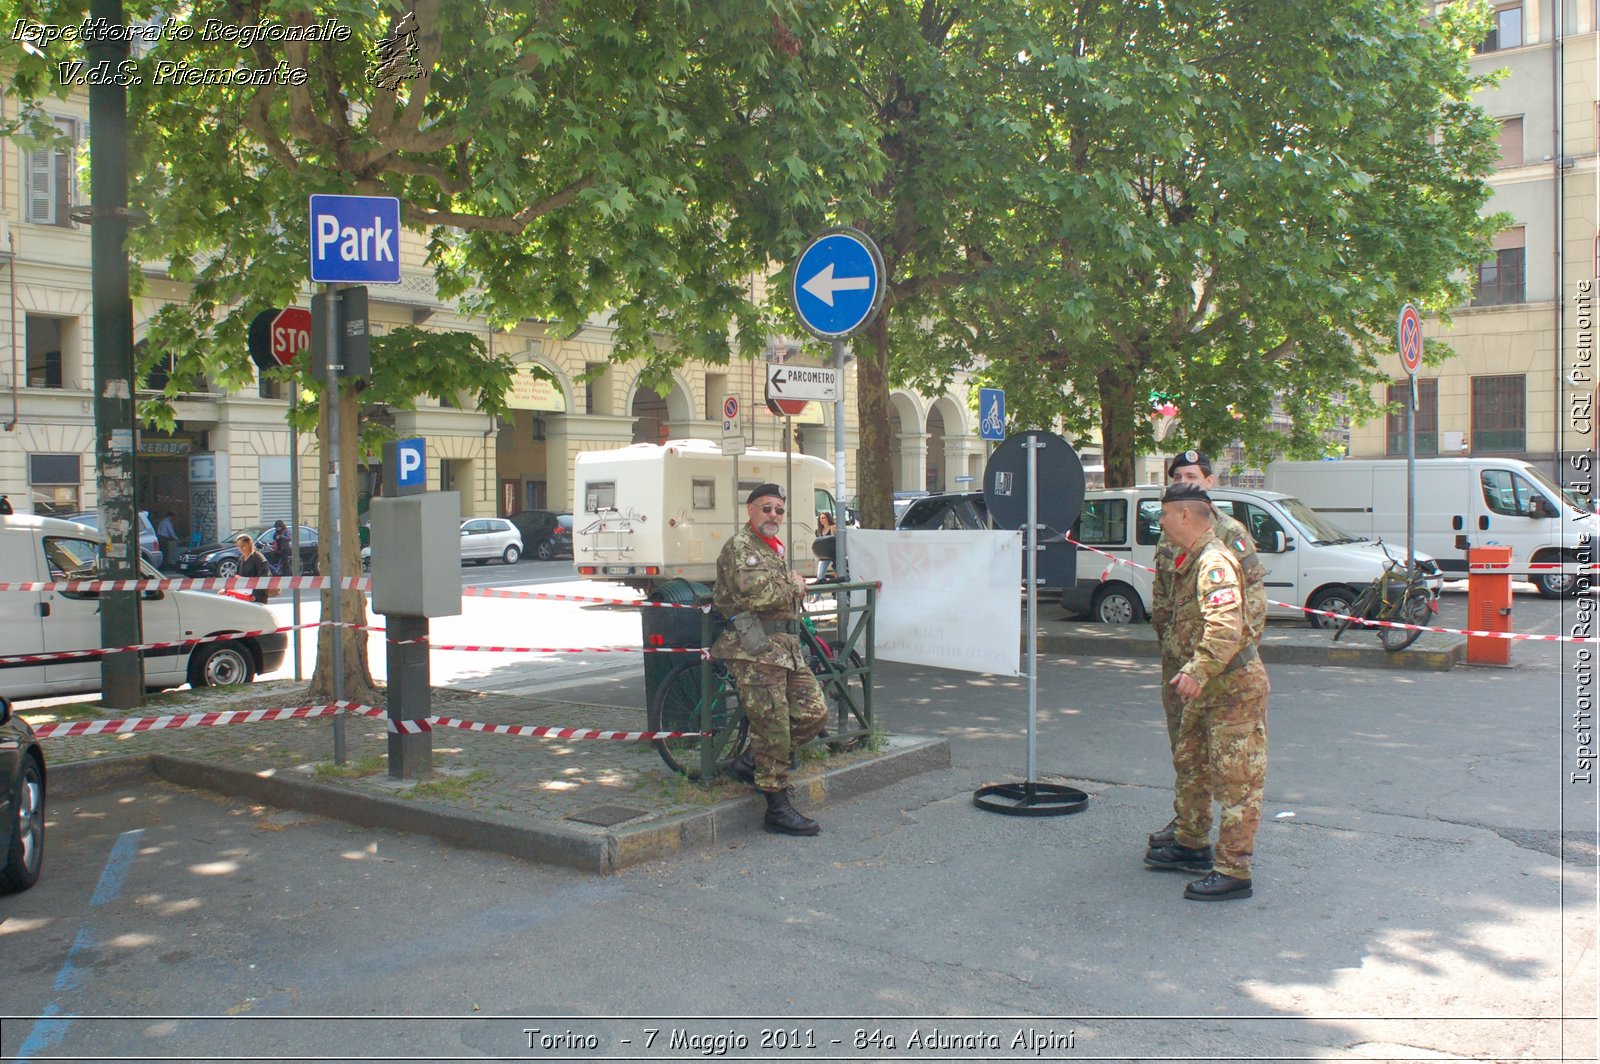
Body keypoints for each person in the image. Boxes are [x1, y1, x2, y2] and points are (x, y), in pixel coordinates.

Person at [1143, 482, 1269, 901]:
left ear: (1183, 516)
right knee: (1192, 763)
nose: (1159, 523)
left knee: (1236, 780)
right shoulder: (1190, 559)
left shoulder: (1214, 560)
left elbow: (1225, 626)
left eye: (1163, 515)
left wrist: (1196, 670)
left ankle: (1234, 870)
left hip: (1229, 686)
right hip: (1204, 687)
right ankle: (1190, 842)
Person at [711, 483, 829, 836]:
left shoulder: (770, 548)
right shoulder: (741, 547)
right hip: (755, 649)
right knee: (774, 727)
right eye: (766, 508)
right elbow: (758, 596)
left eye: (779, 510)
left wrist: (791, 585)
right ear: (750, 510)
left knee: (815, 713)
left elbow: (774, 596)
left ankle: (751, 761)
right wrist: (796, 584)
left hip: (783, 647)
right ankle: (776, 807)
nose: (773, 515)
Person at [235, 533, 274, 603]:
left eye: (243, 545)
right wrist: (225, 590)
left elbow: (264, 578)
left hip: (256, 598)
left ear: (250, 543)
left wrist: (256, 595)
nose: (240, 549)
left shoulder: (259, 558)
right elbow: (237, 576)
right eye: (238, 546)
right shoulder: (241, 559)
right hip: (243, 596)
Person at [814, 511, 837, 580]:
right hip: (824, 555)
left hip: (834, 555)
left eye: (823, 518)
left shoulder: (833, 527)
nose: (821, 520)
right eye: (820, 518)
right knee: (820, 576)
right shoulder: (820, 531)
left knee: (838, 575)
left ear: (828, 518)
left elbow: (838, 540)